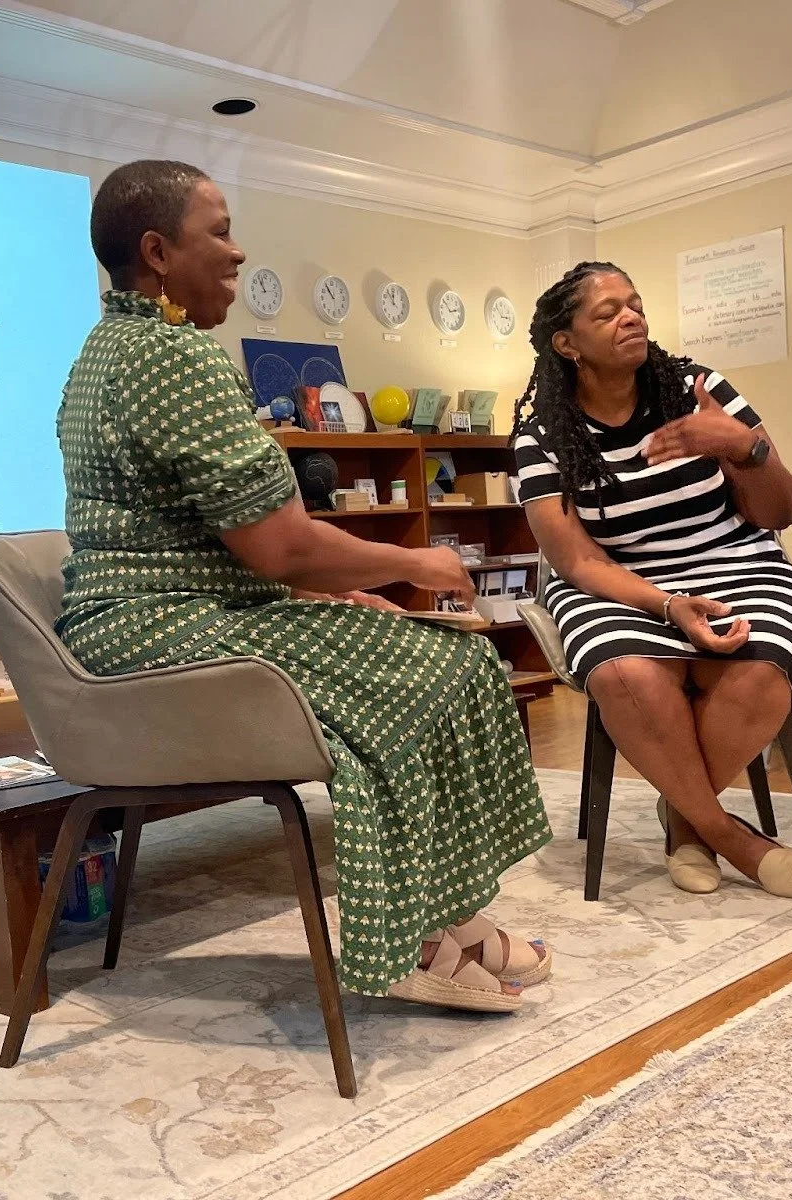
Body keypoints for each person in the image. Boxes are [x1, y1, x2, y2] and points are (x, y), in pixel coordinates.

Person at [55, 160, 553, 1013]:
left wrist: (323, 598)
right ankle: (415, 940)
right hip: (163, 633)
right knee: (438, 672)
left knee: (434, 660)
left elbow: (224, 548)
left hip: (144, 621)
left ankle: (455, 917)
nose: (238, 251)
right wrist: (412, 562)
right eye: (218, 232)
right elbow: (283, 546)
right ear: (157, 252)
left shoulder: (104, 352)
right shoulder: (174, 359)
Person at [510, 261, 792, 899]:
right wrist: (670, 604)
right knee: (628, 676)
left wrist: (743, 447)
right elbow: (577, 562)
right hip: (617, 582)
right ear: (566, 344)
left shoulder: (699, 389)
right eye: (607, 313)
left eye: (635, 304)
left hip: (739, 562)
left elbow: (780, 512)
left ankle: (684, 822)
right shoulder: (540, 434)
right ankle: (732, 836)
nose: (631, 317)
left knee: (760, 670)